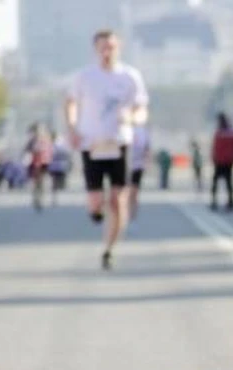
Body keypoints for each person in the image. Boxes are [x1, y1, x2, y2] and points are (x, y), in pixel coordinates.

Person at [64, 29, 149, 271]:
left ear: (118, 48)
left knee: (117, 200)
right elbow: (70, 102)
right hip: (91, 144)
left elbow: (142, 108)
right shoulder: (84, 77)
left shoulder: (130, 77)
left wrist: (132, 117)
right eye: (102, 47)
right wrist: (72, 127)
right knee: (96, 201)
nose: (107, 52)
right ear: (96, 49)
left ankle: (109, 249)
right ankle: (94, 209)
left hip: (119, 143)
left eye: (111, 47)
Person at [25, 123, 53, 211]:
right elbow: (27, 150)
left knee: (42, 181)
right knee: (35, 181)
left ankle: (40, 197)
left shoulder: (46, 140)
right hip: (34, 163)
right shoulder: (32, 141)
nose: (39, 132)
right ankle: (35, 197)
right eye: (37, 130)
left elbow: (50, 151)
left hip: (44, 163)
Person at [129, 123, 151, 219]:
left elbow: (147, 149)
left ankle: (133, 211)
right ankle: (124, 210)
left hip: (138, 165)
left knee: (134, 190)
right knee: (125, 191)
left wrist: (146, 162)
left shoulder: (143, 131)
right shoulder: (124, 128)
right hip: (126, 165)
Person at [47, 135, 72, 206]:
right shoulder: (59, 146)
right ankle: (55, 198)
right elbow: (66, 155)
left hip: (57, 166)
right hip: (58, 166)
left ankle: (56, 197)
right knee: (56, 183)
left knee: (56, 183)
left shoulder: (55, 146)